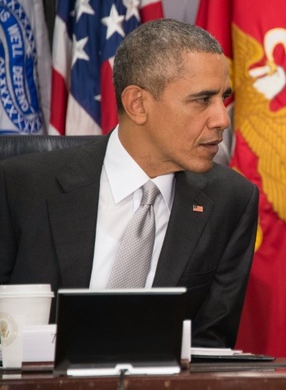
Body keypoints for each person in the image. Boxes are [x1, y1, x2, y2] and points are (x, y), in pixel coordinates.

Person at [0, 18, 259, 349]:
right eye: (201, 100)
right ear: (137, 104)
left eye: (223, 97)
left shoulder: (231, 200)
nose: (222, 119)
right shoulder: (23, 187)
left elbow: (209, 345)